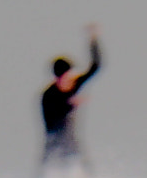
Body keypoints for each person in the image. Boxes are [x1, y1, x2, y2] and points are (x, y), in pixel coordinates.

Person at [40, 25, 103, 167]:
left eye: (70, 75)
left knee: (83, 168)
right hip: (54, 140)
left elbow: (95, 67)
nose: (69, 79)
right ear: (57, 77)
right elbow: (51, 115)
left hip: (71, 139)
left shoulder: (74, 83)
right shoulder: (48, 94)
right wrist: (69, 103)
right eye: (65, 76)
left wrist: (93, 40)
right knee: (50, 171)